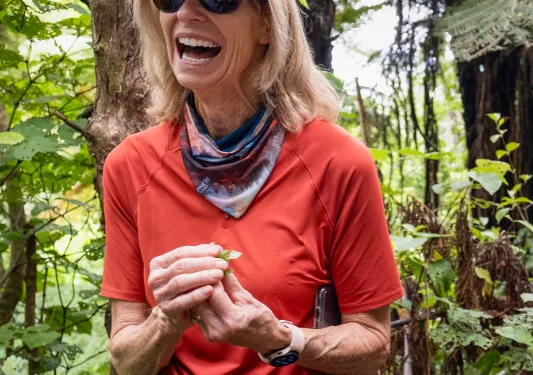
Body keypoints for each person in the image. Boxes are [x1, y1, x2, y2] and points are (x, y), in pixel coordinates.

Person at [100, 0, 403, 374]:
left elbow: (373, 344)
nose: (186, 13)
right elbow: (126, 360)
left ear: (266, 25)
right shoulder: (130, 165)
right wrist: (167, 319)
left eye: (217, 0)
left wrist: (278, 339)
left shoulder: (338, 162)